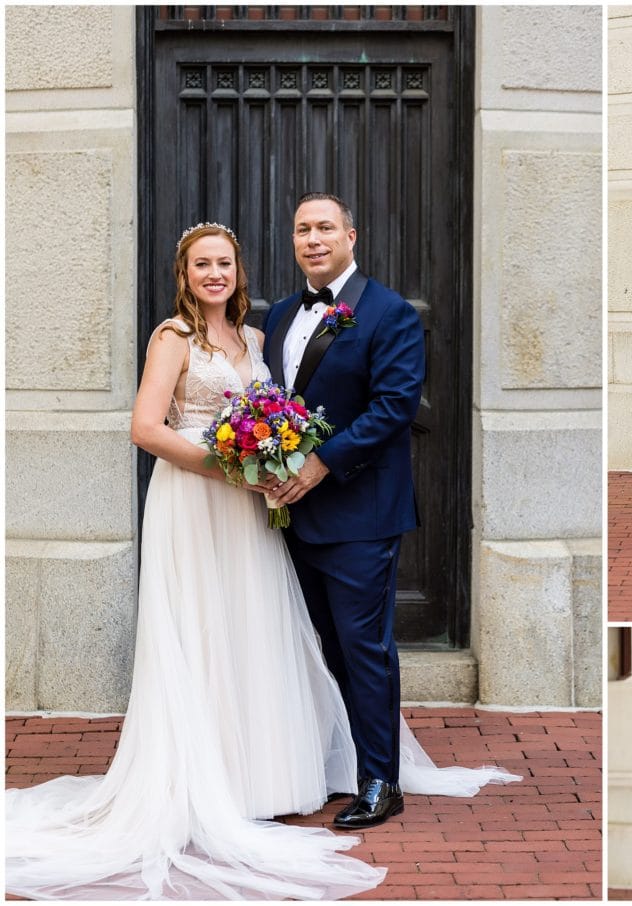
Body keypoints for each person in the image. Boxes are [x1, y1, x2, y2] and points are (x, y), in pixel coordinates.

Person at [5, 223, 516, 901]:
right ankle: (203, 779)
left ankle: (270, 777)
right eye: (200, 265)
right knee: (200, 631)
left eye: (224, 263)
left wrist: (269, 466)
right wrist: (231, 468)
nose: (213, 274)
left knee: (256, 634)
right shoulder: (172, 337)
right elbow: (146, 427)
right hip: (198, 502)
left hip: (259, 509)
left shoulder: (260, 335)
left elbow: (377, 408)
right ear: (183, 274)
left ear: (240, 271)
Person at [263, 193, 432, 828]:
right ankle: (344, 759)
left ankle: (381, 782)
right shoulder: (280, 315)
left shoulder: (388, 313)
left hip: (360, 511)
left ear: (350, 237)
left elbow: (393, 408)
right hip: (291, 515)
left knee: (365, 647)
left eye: (325, 228)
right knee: (323, 646)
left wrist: (321, 464)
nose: (313, 238)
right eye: (302, 228)